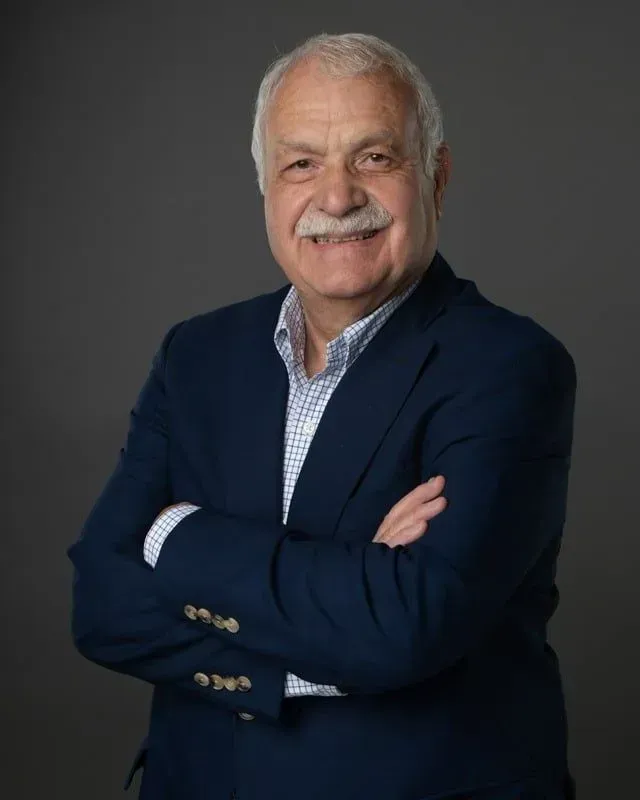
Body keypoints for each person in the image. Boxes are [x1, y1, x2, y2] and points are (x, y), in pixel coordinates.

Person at [68, 32, 577, 800]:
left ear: (436, 177)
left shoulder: (508, 366)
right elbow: (102, 605)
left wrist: (174, 535)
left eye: (375, 157)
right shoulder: (197, 354)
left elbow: (405, 627)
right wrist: (346, 591)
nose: (336, 198)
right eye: (301, 162)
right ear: (266, 187)